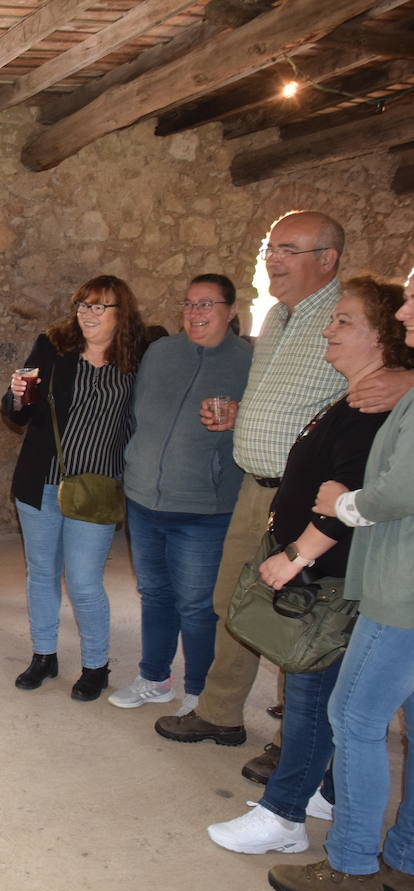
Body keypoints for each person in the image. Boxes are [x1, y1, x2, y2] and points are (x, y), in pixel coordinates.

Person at [154, 212, 414, 786]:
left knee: (301, 618)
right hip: (258, 486)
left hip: (314, 498)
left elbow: (398, 348)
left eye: (288, 249)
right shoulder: (276, 316)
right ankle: (220, 714)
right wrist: (245, 419)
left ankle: (294, 744)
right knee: (236, 602)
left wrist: (409, 380)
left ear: (328, 259)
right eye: (272, 247)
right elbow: (284, 396)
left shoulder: (352, 312)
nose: (272, 258)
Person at [206, 276, 412, 859]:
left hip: (330, 578)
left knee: (312, 696)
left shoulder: (375, 406)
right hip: (328, 572)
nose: (330, 328)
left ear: (384, 338)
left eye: (344, 320)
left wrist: (297, 556)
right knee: (320, 697)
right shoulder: (360, 395)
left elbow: (356, 492)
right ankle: (325, 791)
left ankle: (283, 815)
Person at [268, 271, 414, 891]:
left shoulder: (391, 397)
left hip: (400, 587)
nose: (407, 306)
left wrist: (345, 505)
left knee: (353, 718)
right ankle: (405, 861)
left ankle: (353, 864)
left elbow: (396, 490)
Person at [2, 275, 151, 701]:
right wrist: (16, 396)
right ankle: (44, 654)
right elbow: (18, 411)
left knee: (84, 581)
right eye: (82, 305)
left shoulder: (138, 358)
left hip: (97, 488)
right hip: (42, 482)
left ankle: (96, 664)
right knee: (42, 573)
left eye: (98, 307)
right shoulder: (52, 347)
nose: (87, 314)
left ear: (121, 314)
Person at [111, 274, 252, 713]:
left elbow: (268, 424)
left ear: (230, 311)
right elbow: (138, 412)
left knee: (196, 604)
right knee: (154, 595)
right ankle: (155, 678)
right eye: (189, 304)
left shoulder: (250, 360)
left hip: (203, 507)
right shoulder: (161, 352)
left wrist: (240, 415)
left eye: (207, 304)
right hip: (144, 498)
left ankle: (198, 690)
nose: (195, 313)